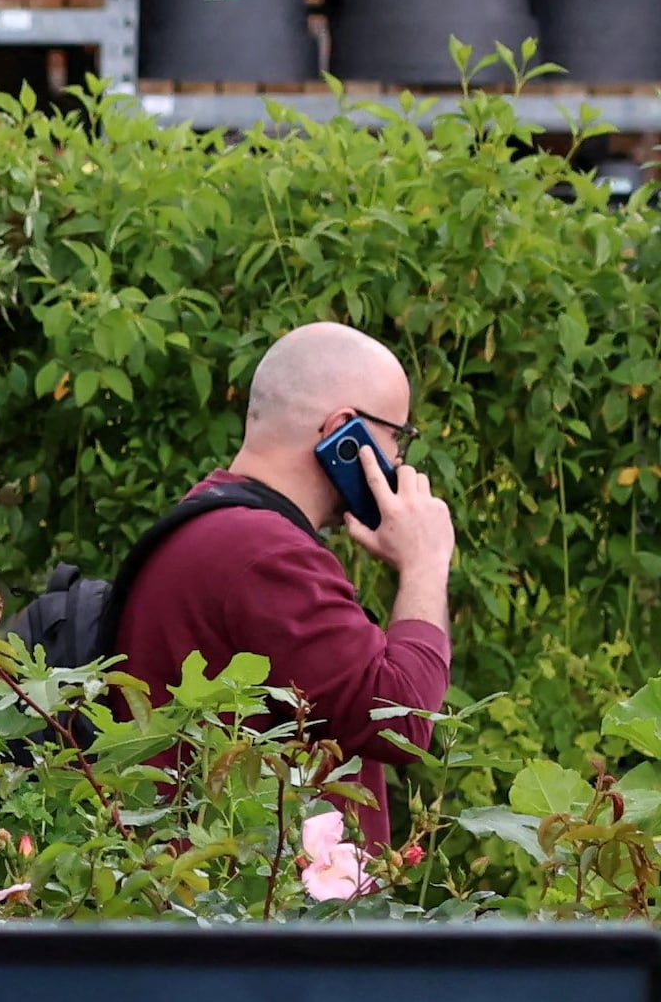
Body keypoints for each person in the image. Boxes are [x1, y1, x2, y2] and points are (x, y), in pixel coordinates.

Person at [109, 321, 459, 849]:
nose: (400, 463)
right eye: (398, 438)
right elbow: (402, 720)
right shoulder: (266, 554)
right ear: (344, 432)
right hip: (252, 912)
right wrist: (427, 563)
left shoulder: (217, 520)